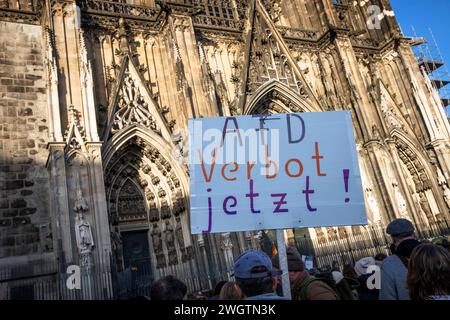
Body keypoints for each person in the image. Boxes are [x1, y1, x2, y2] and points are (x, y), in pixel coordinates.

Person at [272, 247, 338, 300]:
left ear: (292, 272)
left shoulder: (314, 289)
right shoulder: (297, 288)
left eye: (279, 273)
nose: (276, 279)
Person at [379, 218, 421, 300]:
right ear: (414, 234)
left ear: (393, 238)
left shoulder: (388, 263)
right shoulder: (436, 254)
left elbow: (387, 296)